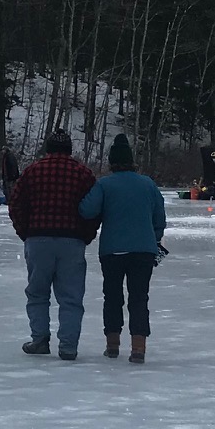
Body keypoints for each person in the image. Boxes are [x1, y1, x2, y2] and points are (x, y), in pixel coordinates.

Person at [6, 127, 99, 361]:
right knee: (71, 297)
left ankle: (39, 339)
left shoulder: (32, 171)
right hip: (72, 241)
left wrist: (26, 232)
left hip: (38, 239)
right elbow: (95, 209)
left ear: (48, 149)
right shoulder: (83, 174)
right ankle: (68, 346)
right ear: (69, 149)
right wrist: (85, 235)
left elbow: (15, 204)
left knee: (37, 293)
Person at [81, 133, 168, 363]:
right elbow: (159, 216)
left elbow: (87, 211)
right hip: (144, 250)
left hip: (113, 250)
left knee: (112, 297)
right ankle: (138, 347)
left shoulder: (105, 185)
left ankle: (112, 345)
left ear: (112, 162)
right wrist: (154, 238)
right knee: (139, 298)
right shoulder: (148, 184)